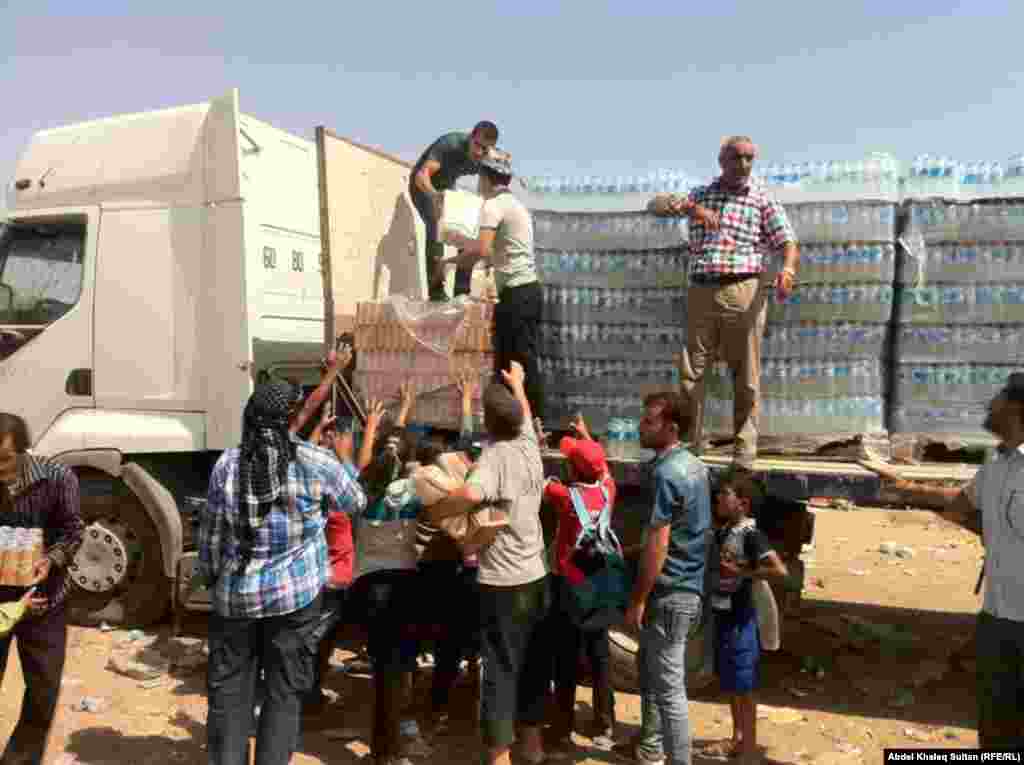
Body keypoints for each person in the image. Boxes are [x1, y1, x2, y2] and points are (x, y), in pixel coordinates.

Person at [200, 382, 367, 765]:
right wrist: (341, 458)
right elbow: (356, 501)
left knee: (229, 695)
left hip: (236, 599)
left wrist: (211, 579)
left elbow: (211, 535)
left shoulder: (228, 463)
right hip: (296, 600)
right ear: (293, 418)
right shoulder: (316, 461)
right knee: (283, 693)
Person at [861, 372, 1024, 749]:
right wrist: (905, 488)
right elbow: (960, 505)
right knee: (996, 729)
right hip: (998, 621)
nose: (990, 406)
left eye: (998, 398)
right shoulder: (996, 465)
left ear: (1016, 408)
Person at [648, 136, 800, 470]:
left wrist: (788, 270)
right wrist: (693, 209)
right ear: (722, 161)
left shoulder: (761, 199)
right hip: (702, 289)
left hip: (743, 289)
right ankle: (686, 449)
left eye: (749, 158)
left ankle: (744, 454)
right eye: (737, 158)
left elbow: (787, 241)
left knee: (746, 375)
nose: (744, 165)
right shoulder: (702, 195)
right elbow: (655, 205)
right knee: (692, 374)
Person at [434, 362, 551, 765]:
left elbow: (470, 494)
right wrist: (519, 385)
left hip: (502, 582)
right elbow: (526, 415)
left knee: (499, 668)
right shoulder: (529, 446)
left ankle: (500, 756)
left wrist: (438, 508)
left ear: (488, 421)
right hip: (536, 575)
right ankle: (532, 746)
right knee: (532, 662)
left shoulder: (494, 458)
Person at [619, 392, 711, 765]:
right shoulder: (695, 466)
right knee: (652, 670)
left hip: (670, 593)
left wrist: (638, 600)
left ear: (671, 428)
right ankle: (651, 748)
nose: (641, 427)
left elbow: (659, 543)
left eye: (649, 421)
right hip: (687, 588)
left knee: (670, 689)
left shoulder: (666, 474)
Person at [347, 384, 433, 765]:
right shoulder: (412, 493)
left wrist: (373, 428)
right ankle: (397, 744)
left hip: (370, 590)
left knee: (383, 674)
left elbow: (373, 462)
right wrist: (406, 411)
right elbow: (396, 457)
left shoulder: (360, 493)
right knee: (401, 670)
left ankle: (383, 753)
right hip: (405, 590)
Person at [0, 412, 84, 765]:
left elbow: (73, 532)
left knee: (42, 692)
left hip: (45, 601)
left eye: (5, 459)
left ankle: (19, 760)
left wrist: (50, 560)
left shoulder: (58, 478)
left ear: (25, 451)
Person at [448, 148, 545, 424]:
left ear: (484, 177)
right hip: (525, 292)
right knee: (511, 360)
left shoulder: (493, 206)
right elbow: (494, 253)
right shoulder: (516, 206)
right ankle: (515, 424)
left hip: (517, 294)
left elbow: (482, 249)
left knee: (516, 362)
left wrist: (449, 262)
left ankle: (532, 424)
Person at [543, 414, 618, 755]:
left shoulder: (564, 496)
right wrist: (588, 438)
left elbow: (539, 481)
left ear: (573, 469)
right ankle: (605, 723)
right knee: (599, 654)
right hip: (598, 583)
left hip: (569, 585)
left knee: (566, 658)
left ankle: (561, 730)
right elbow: (604, 471)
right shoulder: (607, 491)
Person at [703, 471, 787, 763]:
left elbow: (779, 570)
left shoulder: (751, 535)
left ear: (743, 503)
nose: (718, 498)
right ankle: (738, 739)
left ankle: (749, 750)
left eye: (725, 494)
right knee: (731, 683)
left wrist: (742, 571)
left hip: (742, 619)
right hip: (725, 615)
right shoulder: (725, 531)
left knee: (745, 685)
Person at [409, 121, 500, 301]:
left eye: (485, 149)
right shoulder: (451, 145)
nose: (479, 152)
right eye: (477, 145)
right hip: (423, 187)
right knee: (435, 225)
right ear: (470, 137)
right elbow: (421, 176)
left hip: (447, 189)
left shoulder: (487, 159)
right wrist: (434, 196)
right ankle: (436, 292)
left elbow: (492, 185)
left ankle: (461, 291)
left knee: (468, 230)